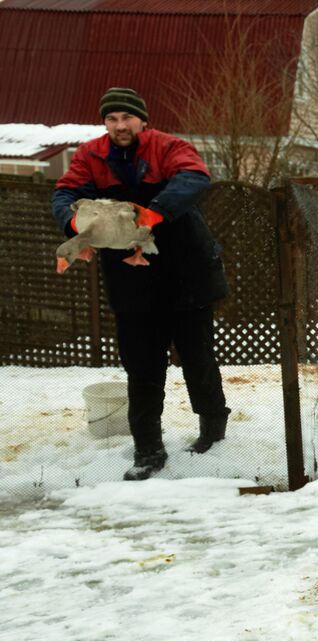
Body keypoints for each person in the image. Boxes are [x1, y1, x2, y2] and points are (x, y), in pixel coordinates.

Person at [53, 87, 230, 481]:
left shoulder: (168, 148)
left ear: (142, 121)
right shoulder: (91, 155)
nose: (119, 126)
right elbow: (65, 192)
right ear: (105, 124)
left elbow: (194, 177)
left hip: (187, 273)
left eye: (127, 118)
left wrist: (152, 215)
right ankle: (148, 448)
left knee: (197, 359)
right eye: (112, 119)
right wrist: (73, 223)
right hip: (132, 283)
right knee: (142, 367)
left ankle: (213, 428)